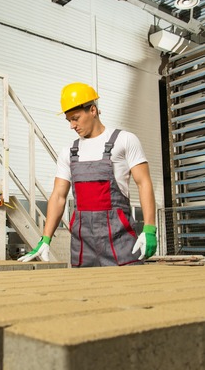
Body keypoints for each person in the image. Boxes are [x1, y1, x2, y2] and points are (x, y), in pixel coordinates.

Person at [19, 82, 157, 267]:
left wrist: (149, 228)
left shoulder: (124, 140)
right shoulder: (68, 152)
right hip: (83, 246)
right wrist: (45, 239)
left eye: (75, 118)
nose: (72, 126)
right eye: (68, 120)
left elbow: (144, 183)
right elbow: (58, 197)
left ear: (93, 110)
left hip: (120, 241)